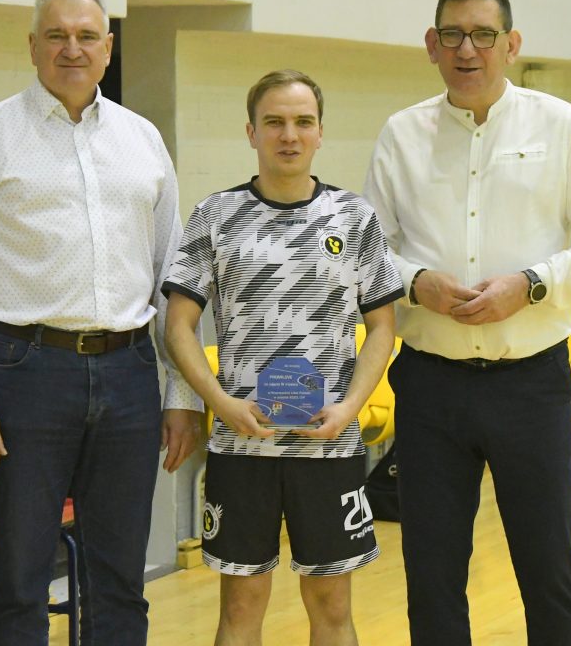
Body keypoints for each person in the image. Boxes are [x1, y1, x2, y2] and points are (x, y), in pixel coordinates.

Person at [0, 0, 202, 646]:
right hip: (24, 374)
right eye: (56, 36)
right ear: (33, 46)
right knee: (21, 581)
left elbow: (173, 277)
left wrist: (182, 391)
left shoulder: (143, 140)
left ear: (107, 47)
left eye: (85, 36)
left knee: (119, 580)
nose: (71, 49)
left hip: (130, 374)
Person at [363, 0, 571, 645]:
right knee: (431, 576)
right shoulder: (401, 135)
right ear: (431, 45)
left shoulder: (560, 124)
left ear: (511, 45)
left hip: (530, 385)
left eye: (484, 35)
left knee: (549, 570)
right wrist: (416, 282)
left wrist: (532, 284)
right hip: (430, 387)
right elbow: (369, 254)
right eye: (453, 35)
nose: (468, 49)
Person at [164, 69, 404, 646]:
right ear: (251, 132)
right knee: (241, 605)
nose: (288, 135)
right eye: (273, 122)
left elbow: (382, 328)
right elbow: (178, 326)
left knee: (331, 604)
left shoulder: (355, 217)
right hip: (242, 447)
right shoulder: (215, 215)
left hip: (329, 445)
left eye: (302, 122)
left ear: (320, 132)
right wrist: (219, 404)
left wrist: (350, 408)